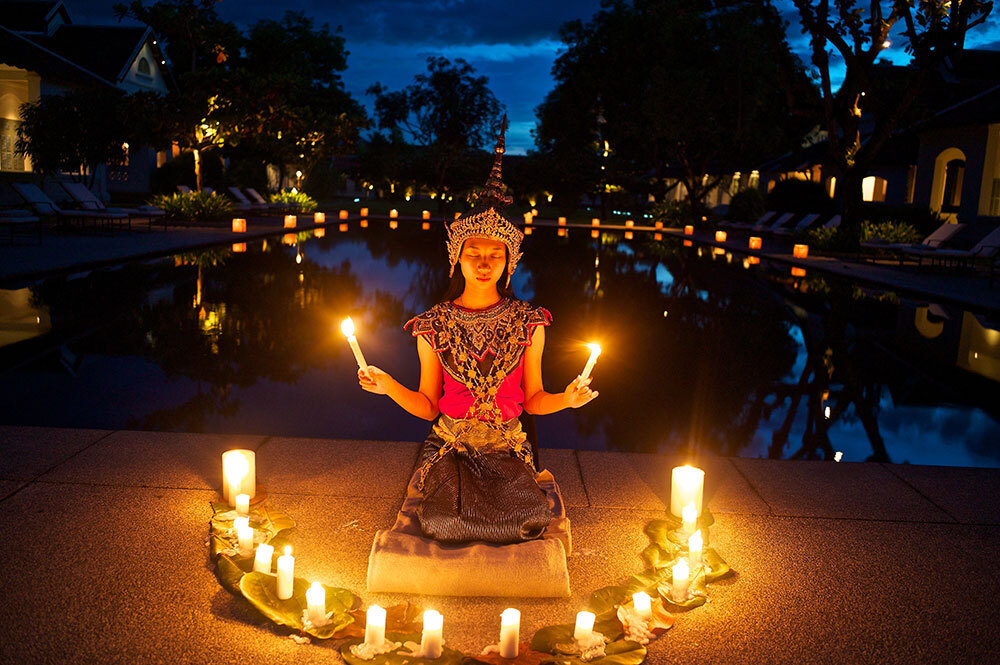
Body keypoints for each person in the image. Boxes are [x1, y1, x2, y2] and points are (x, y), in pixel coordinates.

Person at [357, 116, 597, 545]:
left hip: (506, 449)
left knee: (524, 521)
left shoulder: (528, 322)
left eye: (494, 255)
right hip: (452, 449)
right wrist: (388, 386)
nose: (484, 263)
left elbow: (534, 399)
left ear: (509, 262)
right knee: (444, 524)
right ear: (457, 259)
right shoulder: (434, 324)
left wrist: (568, 399)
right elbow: (429, 407)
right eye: (474, 254)